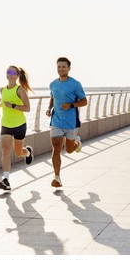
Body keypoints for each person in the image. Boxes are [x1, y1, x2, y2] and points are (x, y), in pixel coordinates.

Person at [45, 57, 87, 188]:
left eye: (63, 67)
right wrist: (49, 108)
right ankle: (57, 177)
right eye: (59, 67)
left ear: (69, 68)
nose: (61, 69)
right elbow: (52, 98)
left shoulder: (75, 84)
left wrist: (71, 105)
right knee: (56, 149)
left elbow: (84, 101)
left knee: (69, 150)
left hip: (71, 123)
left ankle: (76, 143)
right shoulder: (53, 84)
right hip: (56, 121)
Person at [0, 65, 34, 190]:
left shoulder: (20, 90)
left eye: (12, 72)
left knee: (18, 152)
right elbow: (5, 100)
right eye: (8, 71)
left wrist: (12, 105)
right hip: (5, 124)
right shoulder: (2, 90)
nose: (10, 74)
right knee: (5, 151)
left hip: (19, 125)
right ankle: (6, 180)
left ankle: (27, 153)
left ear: (17, 76)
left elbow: (27, 108)